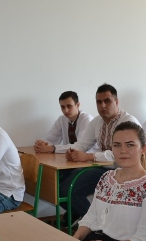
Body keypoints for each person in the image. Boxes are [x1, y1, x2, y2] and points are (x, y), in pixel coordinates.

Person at [74, 122, 146, 241]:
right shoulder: (106, 178)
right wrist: (75, 239)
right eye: (117, 145)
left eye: (130, 145)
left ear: (143, 149)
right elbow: (91, 217)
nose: (123, 150)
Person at [60, 84, 140, 221]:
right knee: (60, 182)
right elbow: (84, 143)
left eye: (107, 101)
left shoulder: (128, 122)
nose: (102, 105)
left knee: (70, 190)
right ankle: (90, 220)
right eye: (99, 102)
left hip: (124, 170)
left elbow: (121, 154)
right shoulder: (97, 121)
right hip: (105, 168)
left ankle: (95, 225)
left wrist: (89, 156)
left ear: (116, 102)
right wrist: (73, 151)